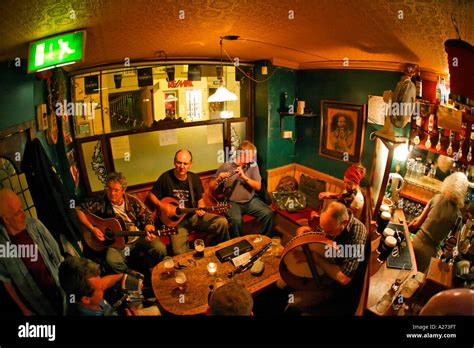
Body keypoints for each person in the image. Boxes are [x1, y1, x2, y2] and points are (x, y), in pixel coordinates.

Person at [76, 172, 167, 274]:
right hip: (117, 243)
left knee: (160, 249)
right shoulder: (101, 202)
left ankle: (149, 268)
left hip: (138, 237)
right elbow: (79, 210)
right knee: (112, 260)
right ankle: (130, 275)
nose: (112, 193)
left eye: (116, 190)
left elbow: (147, 218)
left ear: (123, 190)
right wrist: (92, 228)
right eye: (109, 189)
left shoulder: (132, 201)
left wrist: (149, 229)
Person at [287, 202, 368, 313]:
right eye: (323, 228)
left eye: (329, 231)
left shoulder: (357, 235)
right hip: (326, 267)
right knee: (287, 282)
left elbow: (344, 278)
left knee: (293, 300)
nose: (325, 233)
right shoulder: (332, 223)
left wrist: (316, 258)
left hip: (336, 287)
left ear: (344, 223)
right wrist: (305, 234)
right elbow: (320, 236)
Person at [147, 150, 230, 255]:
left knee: (222, 222)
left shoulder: (194, 179)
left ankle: (218, 251)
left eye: (185, 163)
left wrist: (201, 208)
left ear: (190, 165)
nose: (182, 166)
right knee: (178, 252)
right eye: (179, 162)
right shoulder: (165, 177)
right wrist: (162, 206)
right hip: (176, 223)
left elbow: (200, 201)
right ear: (174, 162)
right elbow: (151, 195)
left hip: (194, 216)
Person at [0, 188, 64, 315]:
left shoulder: (35, 225)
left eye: (22, 209)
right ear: (6, 219)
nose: (24, 214)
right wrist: (24, 310)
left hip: (60, 291)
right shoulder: (2, 245)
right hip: (38, 305)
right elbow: (7, 281)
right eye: (18, 213)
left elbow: (59, 258)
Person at [209, 141, 274, 238]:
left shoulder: (253, 165)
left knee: (268, 213)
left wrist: (244, 177)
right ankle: (239, 244)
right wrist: (218, 179)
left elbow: (258, 186)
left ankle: (265, 239)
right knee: (236, 220)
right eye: (251, 156)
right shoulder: (226, 166)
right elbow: (211, 187)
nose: (253, 159)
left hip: (250, 201)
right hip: (232, 202)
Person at [59, 256, 160, 316]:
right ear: (86, 299)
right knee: (159, 310)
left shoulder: (77, 292)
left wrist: (123, 275)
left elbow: (104, 282)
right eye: (101, 289)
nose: (103, 286)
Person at [409, 172, 468, 272]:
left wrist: (405, 230)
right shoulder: (458, 216)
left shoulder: (436, 198)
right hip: (428, 254)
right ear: (462, 192)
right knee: (412, 280)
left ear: (448, 182)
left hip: (415, 242)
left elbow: (416, 224)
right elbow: (450, 247)